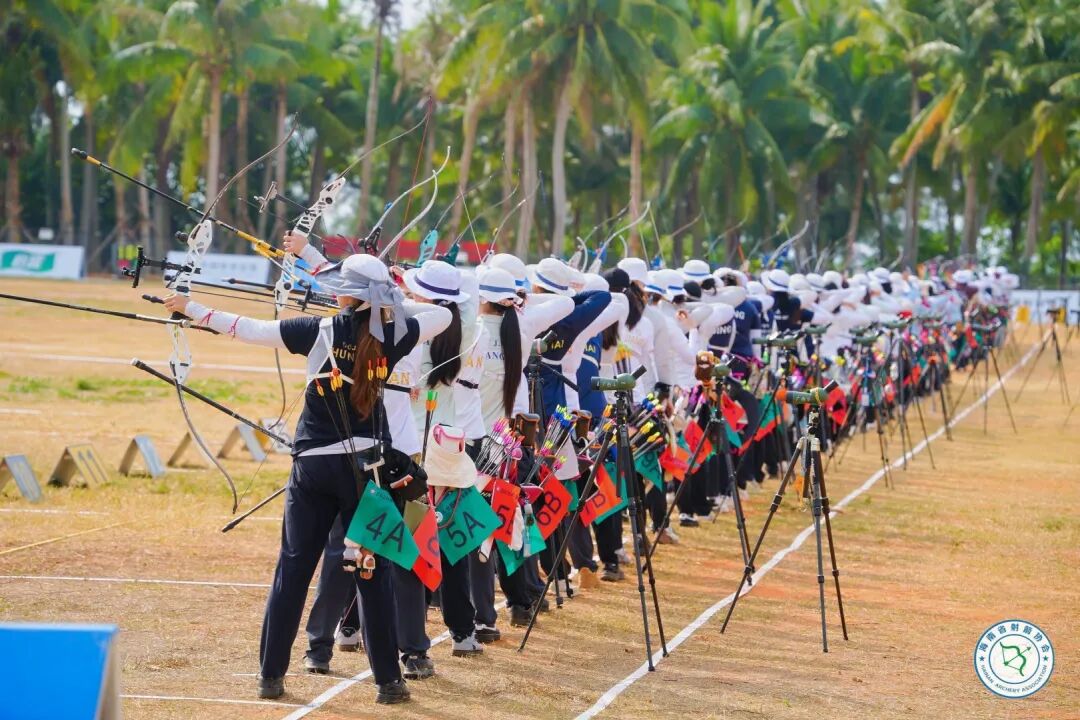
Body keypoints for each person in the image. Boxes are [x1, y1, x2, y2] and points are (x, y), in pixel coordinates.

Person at [162, 253, 451, 704]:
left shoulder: (317, 329)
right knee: (370, 571)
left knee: (293, 570)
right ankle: (389, 684)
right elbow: (442, 314)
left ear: (347, 294)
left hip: (315, 467)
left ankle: (270, 677)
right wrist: (389, 301)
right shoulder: (397, 332)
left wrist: (190, 308)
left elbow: (246, 328)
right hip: (367, 472)